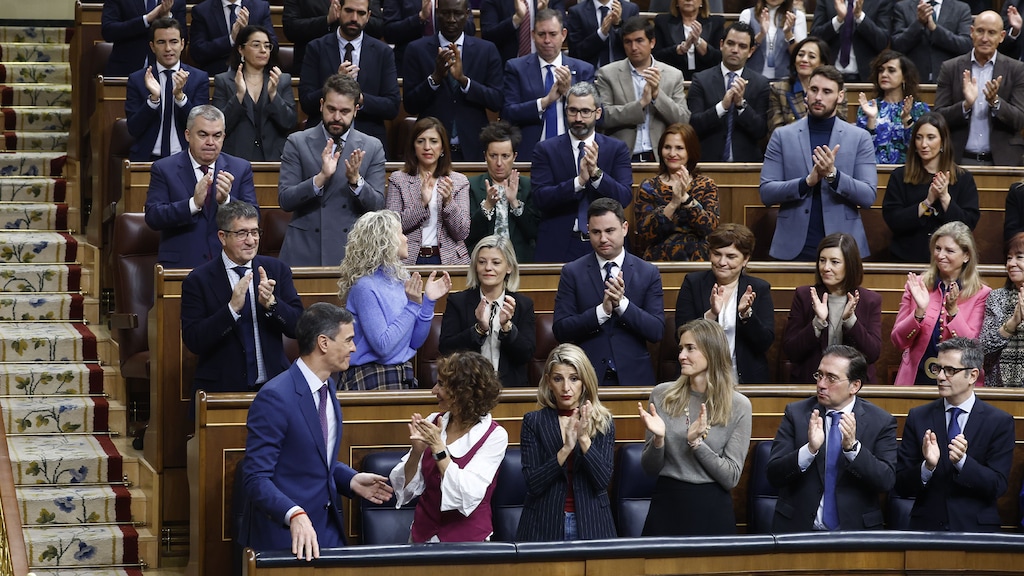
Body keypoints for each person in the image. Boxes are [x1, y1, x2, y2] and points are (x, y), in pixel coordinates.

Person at [240, 302, 393, 559]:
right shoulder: (275, 397)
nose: (354, 348)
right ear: (323, 343)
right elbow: (255, 478)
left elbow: (315, 459)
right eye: (348, 340)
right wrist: (294, 514)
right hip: (286, 537)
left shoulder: (328, 387)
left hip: (327, 531)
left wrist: (350, 479)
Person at [180, 201, 303, 417]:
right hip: (221, 391)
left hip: (274, 387)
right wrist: (231, 310)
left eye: (255, 232)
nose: (251, 241)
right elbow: (194, 340)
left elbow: (298, 327)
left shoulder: (276, 269)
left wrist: (273, 305)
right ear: (222, 237)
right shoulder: (198, 280)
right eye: (242, 233)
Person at [638, 319, 752, 536]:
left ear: (712, 351)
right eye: (681, 348)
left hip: (712, 508)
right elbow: (650, 469)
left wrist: (697, 444)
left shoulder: (739, 405)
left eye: (690, 348)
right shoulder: (663, 395)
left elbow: (731, 477)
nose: (681, 356)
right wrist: (659, 440)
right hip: (667, 505)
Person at [767, 345, 897, 532]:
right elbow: (774, 475)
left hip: (854, 535)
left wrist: (853, 449)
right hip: (797, 532)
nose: (821, 384)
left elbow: (886, 481)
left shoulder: (881, 421)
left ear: (855, 385)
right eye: (819, 375)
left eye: (831, 378)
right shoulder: (796, 414)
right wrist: (809, 450)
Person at [895, 337, 1015, 531]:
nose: (940, 377)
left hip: (976, 531)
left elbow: (998, 486)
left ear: (973, 375)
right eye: (938, 369)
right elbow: (900, 485)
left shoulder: (999, 422)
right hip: (926, 529)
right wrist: (927, 467)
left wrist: (963, 463)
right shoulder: (919, 417)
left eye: (950, 370)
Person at [760, 65, 877, 262]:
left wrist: (833, 176)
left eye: (827, 91)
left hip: (843, 245)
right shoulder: (782, 135)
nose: (818, 97)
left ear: (840, 96)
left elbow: (868, 196)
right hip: (794, 244)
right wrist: (806, 182)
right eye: (813, 90)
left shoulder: (860, 137)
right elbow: (767, 192)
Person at [389, 351, 508, 542]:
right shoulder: (433, 422)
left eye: (442, 385)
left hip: (468, 545)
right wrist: (417, 452)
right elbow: (406, 490)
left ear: (463, 392)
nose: (434, 390)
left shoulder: (494, 436)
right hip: (422, 539)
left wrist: (438, 447)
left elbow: (466, 495)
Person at [553, 198, 665, 387]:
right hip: (586, 377)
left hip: (634, 378)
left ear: (625, 228)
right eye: (596, 232)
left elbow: (656, 331)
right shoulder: (572, 272)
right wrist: (601, 312)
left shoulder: (648, 272)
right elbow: (561, 329)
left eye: (609, 231)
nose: (603, 239)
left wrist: (622, 305)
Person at [278, 73, 387, 267]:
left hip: (352, 252)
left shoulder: (372, 146)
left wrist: (356, 181)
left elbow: (378, 205)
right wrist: (320, 178)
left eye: (344, 111)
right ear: (321, 105)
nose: (336, 117)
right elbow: (286, 200)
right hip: (305, 250)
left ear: (356, 110)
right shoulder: (297, 142)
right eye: (331, 109)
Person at [337, 210, 452, 389]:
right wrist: (413, 305)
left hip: (402, 374)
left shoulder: (401, 279)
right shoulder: (365, 287)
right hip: (371, 376)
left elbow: (415, 342)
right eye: (400, 233)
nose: (406, 239)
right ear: (384, 241)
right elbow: (383, 347)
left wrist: (428, 301)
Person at [516, 343, 617, 541]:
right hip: (543, 522)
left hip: (592, 522)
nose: (566, 388)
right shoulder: (533, 422)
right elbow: (533, 483)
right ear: (548, 382)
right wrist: (566, 449)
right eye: (558, 379)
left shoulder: (602, 421)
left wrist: (584, 440)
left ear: (585, 382)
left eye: (574, 379)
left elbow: (602, 481)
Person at [531, 82, 633, 263]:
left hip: (606, 244)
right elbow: (540, 198)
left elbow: (624, 197)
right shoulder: (546, 149)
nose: (578, 118)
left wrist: (596, 175)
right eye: (573, 111)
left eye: (585, 111)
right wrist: (578, 182)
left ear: (598, 113)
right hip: (561, 243)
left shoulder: (616, 149)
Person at [144, 105, 257, 269]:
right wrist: (193, 204)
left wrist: (226, 202)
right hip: (182, 266)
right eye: (203, 135)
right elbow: (153, 216)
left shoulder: (240, 168)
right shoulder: (164, 168)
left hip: (228, 264)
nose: (210, 142)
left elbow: (254, 217)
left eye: (217, 136)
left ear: (224, 136)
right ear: (188, 135)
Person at [891, 221, 992, 385]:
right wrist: (919, 312)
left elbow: (973, 349)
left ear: (966, 255)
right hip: (917, 378)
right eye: (938, 248)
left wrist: (953, 313)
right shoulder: (917, 285)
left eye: (949, 250)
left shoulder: (981, 293)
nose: (940, 255)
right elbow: (898, 341)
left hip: (959, 383)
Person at [401, 0, 502, 161]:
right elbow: (410, 105)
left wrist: (464, 81)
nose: (451, 19)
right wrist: (435, 78)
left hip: (473, 148)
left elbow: (496, 100)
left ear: (467, 14)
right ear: (437, 13)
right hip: (431, 151)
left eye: (458, 13)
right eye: (446, 13)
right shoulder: (416, 50)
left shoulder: (487, 50)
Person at [674, 223, 774, 384]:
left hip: (744, 378)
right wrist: (711, 314)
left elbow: (764, 342)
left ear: (745, 259)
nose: (722, 262)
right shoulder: (693, 283)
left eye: (731, 256)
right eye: (716, 254)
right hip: (700, 378)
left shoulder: (759, 288)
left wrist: (746, 315)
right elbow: (679, 334)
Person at [298, 0, 400, 153]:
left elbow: (392, 106)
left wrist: (358, 98)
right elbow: (306, 102)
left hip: (367, 140)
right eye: (349, 11)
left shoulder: (382, 52)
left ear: (368, 16)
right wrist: (334, 84)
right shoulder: (316, 48)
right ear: (338, 10)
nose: (354, 18)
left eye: (361, 13)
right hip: (321, 141)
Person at [439, 235, 537, 388]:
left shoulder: (523, 305)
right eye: (482, 262)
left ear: (509, 267)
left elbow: (526, 355)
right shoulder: (458, 302)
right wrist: (478, 330)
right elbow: (447, 349)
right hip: (466, 389)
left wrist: (507, 328)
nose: (488, 268)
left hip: (510, 390)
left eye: (496, 263)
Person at [783, 233, 882, 384]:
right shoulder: (804, 295)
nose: (826, 267)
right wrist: (817, 323)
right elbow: (791, 351)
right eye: (822, 260)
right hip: (811, 383)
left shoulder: (870, 300)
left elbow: (872, 353)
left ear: (850, 264)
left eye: (834, 262)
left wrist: (851, 321)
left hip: (853, 387)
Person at [882, 112, 980, 263]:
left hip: (949, 263)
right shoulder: (899, 176)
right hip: (907, 259)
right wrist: (927, 203)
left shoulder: (963, 178)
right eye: (919, 137)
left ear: (943, 142)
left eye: (930, 137)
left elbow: (967, 226)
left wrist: (945, 198)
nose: (923, 144)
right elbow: (893, 220)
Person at [500, 8, 596, 162]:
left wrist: (569, 94)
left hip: (574, 155)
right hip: (531, 154)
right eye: (541, 34)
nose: (547, 40)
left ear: (563, 35)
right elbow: (508, 113)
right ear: (532, 35)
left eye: (553, 34)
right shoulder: (516, 68)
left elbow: (599, 114)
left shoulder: (583, 70)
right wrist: (545, 101)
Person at [934, 10, 1024, 166]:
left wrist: (995, 102)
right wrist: (965, 105)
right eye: (980, 31)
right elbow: (938, 117)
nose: (984, 38)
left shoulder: (1017, 69)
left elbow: (1020, 120)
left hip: (1003, 162)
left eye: (991, 33)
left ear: (1002, 36)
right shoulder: (950, 68)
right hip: (958, 160)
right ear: (971, 32)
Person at [595, 16, 691, 162]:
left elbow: (683, 119)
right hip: (621, 157)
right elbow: (603, 117)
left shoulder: (673, 75)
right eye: (628, 42)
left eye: (639, 41)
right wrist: (640, 105)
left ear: (652, 42)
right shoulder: (607, 74)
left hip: (661, 158)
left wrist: (657, 96)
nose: (633, 47)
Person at [385, 117, 471, 266]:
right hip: (408, 259)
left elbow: (462, 232)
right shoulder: (398, 180)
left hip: (449, 260)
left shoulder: (459, 181)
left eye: (433, 141)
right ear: (413, 146)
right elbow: (391, 228)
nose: (427, 147)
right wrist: (422, 203)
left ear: (443, 147)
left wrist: (448, 202)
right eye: (420, 141)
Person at [125, 18, 210, 162]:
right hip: (148, 158)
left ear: (182, 44)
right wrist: (153, 100)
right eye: (161, 42)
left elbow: (200, 126)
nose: (168, 48)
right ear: (152, 46)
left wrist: (180, 98)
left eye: (174, 42)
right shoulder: (137, 79)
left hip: (186, 159)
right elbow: (134, 128)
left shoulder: (198, 78)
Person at [686, 22, 771, 162]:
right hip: (706, 164)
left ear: (751, 51)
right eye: (730, 43)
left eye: (742, 46)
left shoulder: (761, 84)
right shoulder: (701, 80)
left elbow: (761, 131)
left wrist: (740, 105)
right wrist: (722, 107)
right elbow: (693, 125)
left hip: (746, 166)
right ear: (721, 45)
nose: (735, 50)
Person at [635, 123, 720, 262]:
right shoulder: (648, 186)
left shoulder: (706, 185)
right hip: (658, 260)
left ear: (690, 151)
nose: (672, 153)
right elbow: (645, 234)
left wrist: (685, 198)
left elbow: (710, 229)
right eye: (667, 147)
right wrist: (673, 203)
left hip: (698, 260)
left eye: (679, 148)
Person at [213, 25, 296, 162]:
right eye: (256, 45)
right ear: (241, 49)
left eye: (267, 46)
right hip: (236, 157)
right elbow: (218, 126)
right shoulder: (224, 81)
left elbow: (289, 123)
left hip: (274, 158)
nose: (263, 50)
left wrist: (273, 95)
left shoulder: (281, 80)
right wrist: (239, 96)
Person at [466, 122, 540, 263]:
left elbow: (533, 232)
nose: (499, 163)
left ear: (514, 156)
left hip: (519, 263)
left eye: (505, 156)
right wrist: (487, 206)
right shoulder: (471, 186)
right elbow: (467, 235)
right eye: (493, 156)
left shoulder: (528, 186)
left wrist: (514, 203)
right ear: (485, 156)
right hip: (482, 264)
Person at [855, 50, 931, 164]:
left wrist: (906, 120)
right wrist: (871, 120)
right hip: (874, 172)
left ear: (904, 77)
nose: (884, 74)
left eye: (891, 70)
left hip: (908, 174)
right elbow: (861, 148)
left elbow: (920, 148)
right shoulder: (868, 107)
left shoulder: (919, 109)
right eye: (881, 70)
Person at [768, 36, 847, 137]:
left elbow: (841, 128)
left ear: (822, 63)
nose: (804, 60)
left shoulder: (836, 89)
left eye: (812, 56)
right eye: (800, 55)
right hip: (792, 147)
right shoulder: (779, 89)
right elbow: (775, 133)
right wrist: (806, 121)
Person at [283, 0, 384, 77]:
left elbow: (379, 27)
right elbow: (290, 28)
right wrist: (326, 20)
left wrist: (349, 14)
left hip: (362, 70)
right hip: (315, 68)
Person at [384, 0, 476, 76]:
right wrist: (420, 18)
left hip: (453, 62)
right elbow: (389, 33)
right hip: (413, 64)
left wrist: (447, 13)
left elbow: (470, 30)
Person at [809, 0, 893, 82]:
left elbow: (882, 42)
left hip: (864, 77)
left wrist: (860, 17)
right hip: (828, 74)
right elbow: (815, 39)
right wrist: (838, 20)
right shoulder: (826, 1)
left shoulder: (881, 2)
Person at [892, 0, 973, 84]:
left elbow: (966, 45)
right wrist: (918, 23)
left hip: (949, 80)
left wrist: (935, 29)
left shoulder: (961, 8)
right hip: (913, 80)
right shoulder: (902, 7)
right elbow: (897, 46)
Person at [980, 232, 1024, 386]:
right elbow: (984, 349)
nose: (1011, 263)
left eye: (1019, 257)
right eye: (1009, 258)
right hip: (998, 387)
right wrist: (1012, 323)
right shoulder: (997, 297)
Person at [189, 0, 278, 75]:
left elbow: (273, 46)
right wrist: (231, 39)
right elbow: (197, 51)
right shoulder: (202, 11)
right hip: (218, 78)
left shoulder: (260, 7)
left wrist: (247, 34)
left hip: (256, 75)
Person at [101, 0, 187, 77]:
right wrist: (146, 19)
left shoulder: (176, 1)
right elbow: (108, 31)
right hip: (125, 72)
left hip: (166, 73)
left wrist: (167, 18)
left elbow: (183, 39)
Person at [653, 0, 726, 81]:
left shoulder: (716, 23)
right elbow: (656, 56)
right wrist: (679, 49)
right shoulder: (662, 22)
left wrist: (699, 42)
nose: (688, 0)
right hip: (671, 79)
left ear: (702, 2)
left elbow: (720, 57)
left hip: (707, 80)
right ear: (676, 2)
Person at [738, 0, 808, 81]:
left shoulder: (798, 16)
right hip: (753, 79)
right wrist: (761, 34)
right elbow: (741, 52)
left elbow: (801, 55)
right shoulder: (748, 14)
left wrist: (788, 34)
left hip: (785, 80)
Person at [480, 0, 567, 63]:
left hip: (546, 65)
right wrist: (516, 19)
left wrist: (545, 13)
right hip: (506, 69)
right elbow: (488, 36)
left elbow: (564, 30)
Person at [566, 0, 641, 69]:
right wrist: (601, 34)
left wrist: (618, 25)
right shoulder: (577, 11)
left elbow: (634, 46)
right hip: (592, 74)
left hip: (623, 73)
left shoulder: (630, 9)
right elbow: (576, 53)